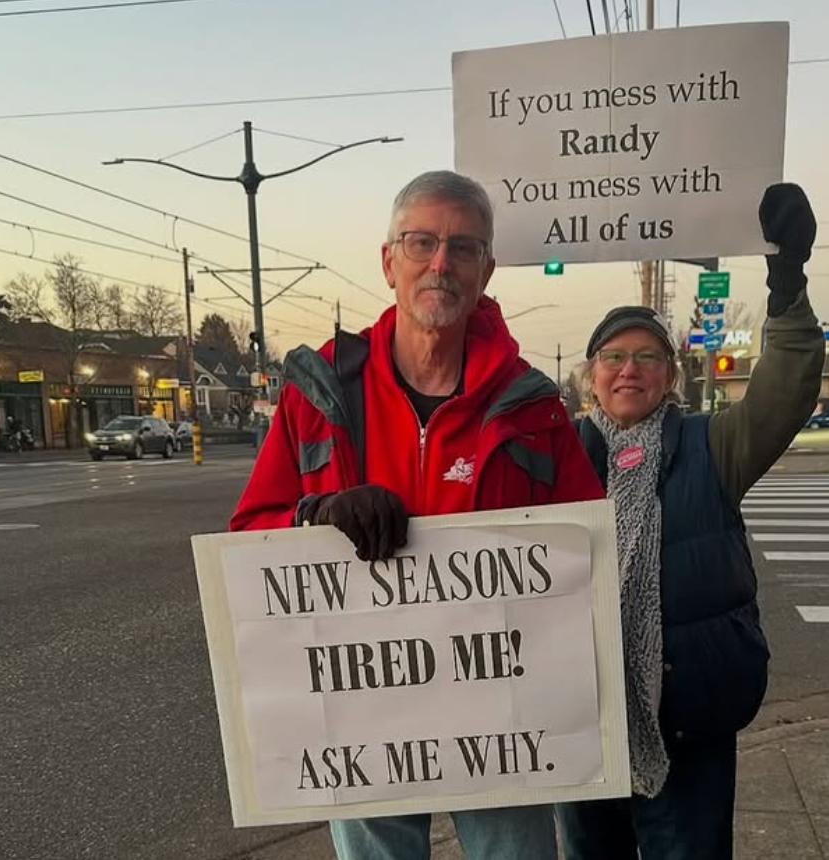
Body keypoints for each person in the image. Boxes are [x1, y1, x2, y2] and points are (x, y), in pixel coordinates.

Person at [229, 170, 605, 860]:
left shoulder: (533, 409)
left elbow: (587, 558)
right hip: (358, 714)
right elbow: (249, 540)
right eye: (421, 242)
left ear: (486, 269)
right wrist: (317, 514)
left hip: (500, 715)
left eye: (462, 248)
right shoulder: (318, 396)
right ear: (388, 260)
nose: (441, 264)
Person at [555, 183, 825, 860]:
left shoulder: (714, 444)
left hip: (691, 721)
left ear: (669, 374)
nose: (628, 369)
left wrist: (786, 283)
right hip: (580, 726)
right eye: (613, 357)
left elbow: (783, 395)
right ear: (591, 377)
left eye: (646, 356)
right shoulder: (556, 454)